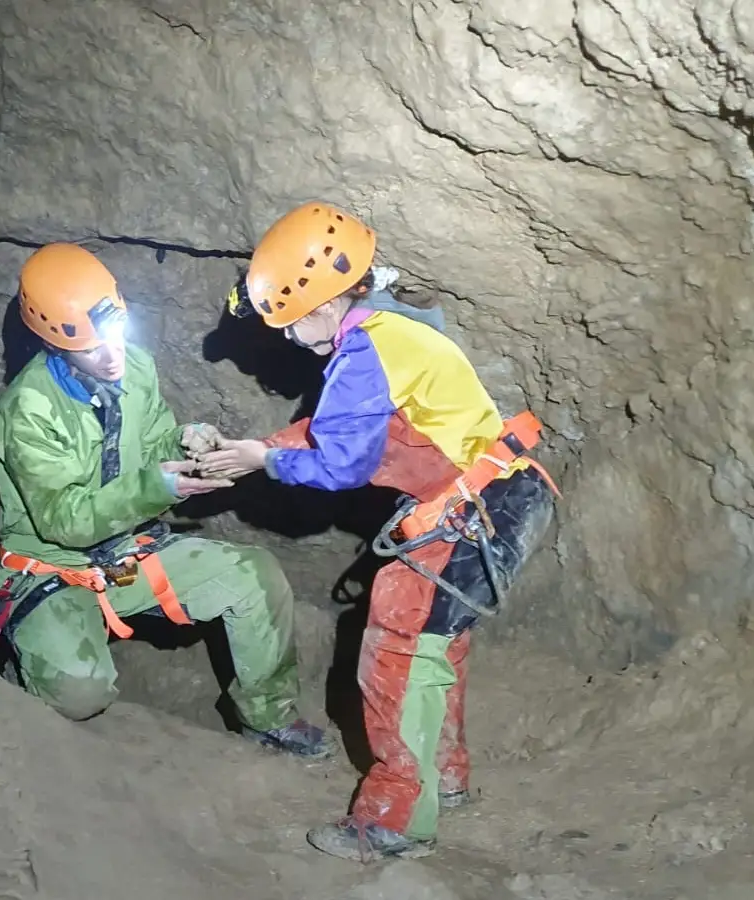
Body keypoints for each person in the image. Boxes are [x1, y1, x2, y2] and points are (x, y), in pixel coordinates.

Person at [198, 201, 561, 861]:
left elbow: (342, 461)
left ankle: (394, 820)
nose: (283, 337)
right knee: (434, 648)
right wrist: (254, 448)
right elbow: (339, 425)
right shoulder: (394, 328)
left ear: (323, 303)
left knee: (394, 654)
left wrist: (263, 460)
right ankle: (444, 777)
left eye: (288, 320)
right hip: (507, 492)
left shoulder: (364, 350)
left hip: (471, 508)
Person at [0, 241, 332, 760]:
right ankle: (22, 675)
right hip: (52, 568)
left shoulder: (134, 368)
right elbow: (66, 522)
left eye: (114, 336)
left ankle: (269, 716)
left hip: (125, 551)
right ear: (54, 343)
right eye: (91, 348)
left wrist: (186, 442)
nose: (111, 355)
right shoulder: (29, 411)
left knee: (253, 576)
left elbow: (153, 441)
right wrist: (156, 488)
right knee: (80, 691)